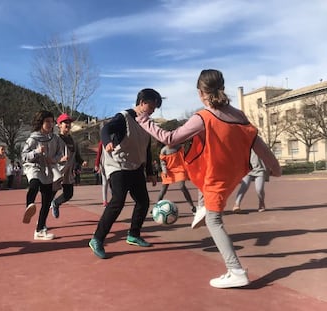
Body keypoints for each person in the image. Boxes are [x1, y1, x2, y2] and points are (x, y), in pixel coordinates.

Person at [136, 69, 281, 288]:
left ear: (200, 93)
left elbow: (169, 138)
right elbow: (256, 141)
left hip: (216, 177)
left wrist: (144, 120)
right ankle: (202, 205)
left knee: (214, 222)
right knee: (199, 161)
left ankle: (236, 270)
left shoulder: (203, 116)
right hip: (233, 172)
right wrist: (275, 166)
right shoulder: (239, 116)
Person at [88, 88, 161, 259]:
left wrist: (149, 172)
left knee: (143, 201)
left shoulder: (146, 123)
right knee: (118, 201)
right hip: (117, 165)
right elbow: (106, 129)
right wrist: (107, 142)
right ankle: (97, 239)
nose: (152, 110)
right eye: (151, 106)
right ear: (142, 103)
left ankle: (133, 235)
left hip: (135, 166)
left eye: (155, 108)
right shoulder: (124, 117)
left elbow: (147, 149)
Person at [21, 110, 66, 240]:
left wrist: (55, 159)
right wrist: (36, 151)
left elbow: (59, 153)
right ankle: (29, 206)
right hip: (34, 167)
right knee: (34, 184)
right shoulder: (33, 138)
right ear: (40, 122)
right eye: (47, 121)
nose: (50, 124)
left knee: (46, 202)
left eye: (52, 122)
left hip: (47, 170)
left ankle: (39, 230)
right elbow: (24, 156)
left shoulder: (55, 138)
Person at [50, 113, 87, 219]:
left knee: (68, 194)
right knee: (48, 197)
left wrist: (81, 161)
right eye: (65, 122)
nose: (68, 124)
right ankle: (41, 224)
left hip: (68, 172)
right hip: (57, 171)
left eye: (69, 122)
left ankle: (56, 203)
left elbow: (77, 155)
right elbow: (50, 155)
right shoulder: (55, 139)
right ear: (59, 125)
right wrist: (59, 159)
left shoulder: (72, 140)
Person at [157, 144, 196, 213]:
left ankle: (192, 206)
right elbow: (163, 163)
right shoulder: (164, 150)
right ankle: (156, 206)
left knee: (182, 186)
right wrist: (164, 171)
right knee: (163, 189)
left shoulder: (180, 147)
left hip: (180, 169)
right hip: (168, 171)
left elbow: (186, 155)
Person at [94, 140, 110, 207]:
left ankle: (115, 199)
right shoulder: (102, 141)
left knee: (111, 183)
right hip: (104, 164)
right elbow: (99, 153)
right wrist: (97, 164)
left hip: (113, 165)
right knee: (105, 183)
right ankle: (105, 201)